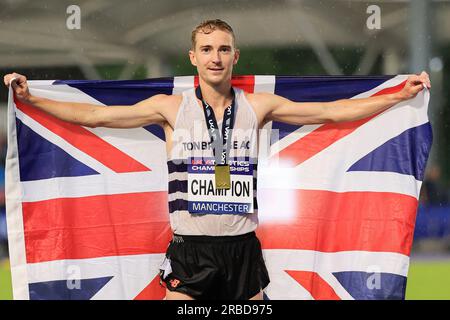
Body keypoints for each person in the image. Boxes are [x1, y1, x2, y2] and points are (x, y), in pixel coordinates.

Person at [3, 19, 431, 300]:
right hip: (190, 253)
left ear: (235, 57)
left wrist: (400, 95)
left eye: (223, 49)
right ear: (193, 57)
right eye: (206, 49)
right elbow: (93, 116)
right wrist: (29, 96)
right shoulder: (170, 108)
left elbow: (334, 111)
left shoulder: (258, 106)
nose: (215, 57)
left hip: (243, 251)